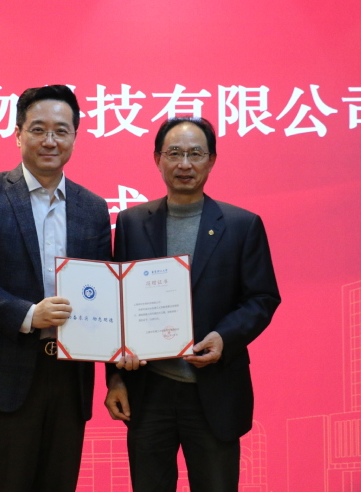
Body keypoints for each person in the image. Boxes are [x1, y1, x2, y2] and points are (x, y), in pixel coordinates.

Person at [0, 85, 111, 492]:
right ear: (18, 134)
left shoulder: (93, 208)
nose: (50, 140)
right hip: (3, 375)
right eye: (38, 129)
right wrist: (29, 315)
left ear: (75, 136)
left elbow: (105, 294)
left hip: (70, 378)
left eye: (61, 130)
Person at [104, 117, 280, 492]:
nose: (184, 164)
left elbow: (262, 297)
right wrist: (114, 377)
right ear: (158, 159)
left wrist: (224, 337)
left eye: (195, 153)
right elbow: (117, 303)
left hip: (214, 390)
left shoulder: (242, 225)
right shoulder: (132, 222)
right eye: (174, 153)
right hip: (148, 391)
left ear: (211, 160)